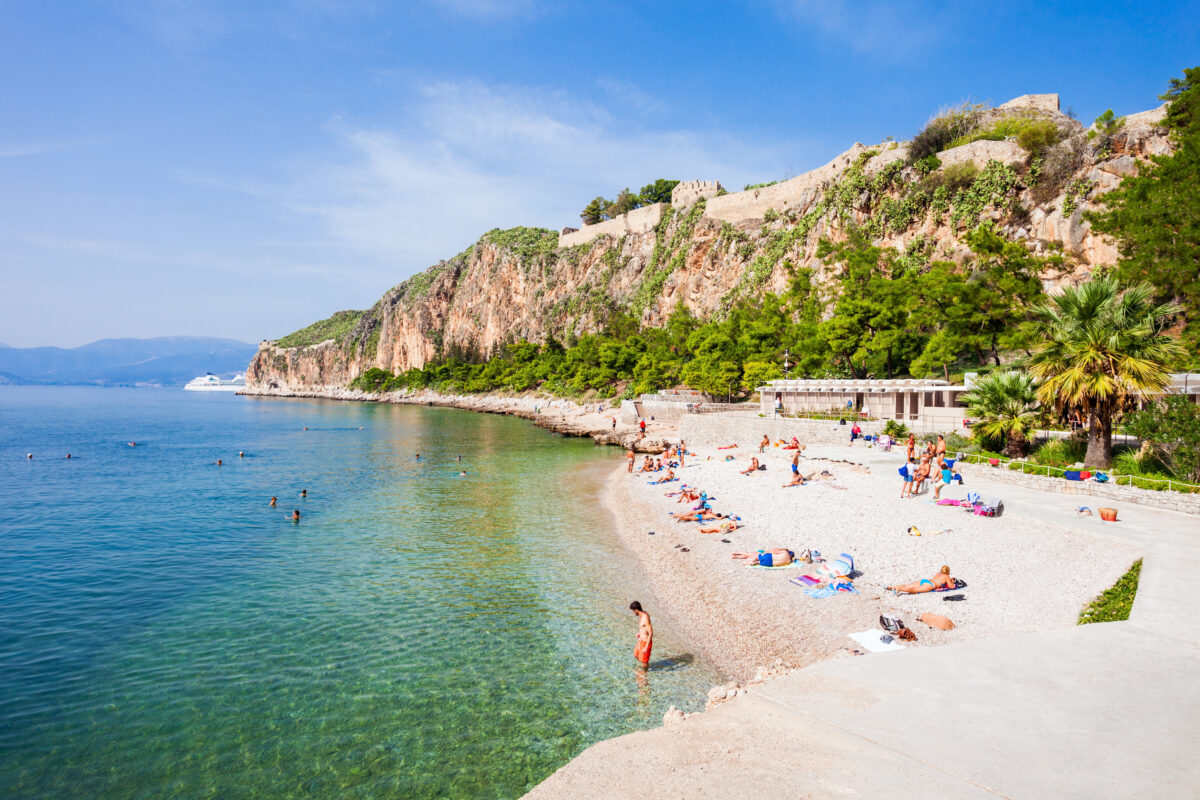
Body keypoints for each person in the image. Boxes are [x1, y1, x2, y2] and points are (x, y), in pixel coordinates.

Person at [887, 565, 954, 594]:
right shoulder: (946, 576)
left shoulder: (938, 573)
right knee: (914, 590)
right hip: (930, 585)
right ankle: (899, 589)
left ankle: (893, 587)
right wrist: (952, 581)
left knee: (908, 586)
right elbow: (951, 586)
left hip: (924, 580)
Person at [630, 601, 653, 667]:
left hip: (646, 642)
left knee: (644, 661)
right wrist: (639, 633)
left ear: (636, 610)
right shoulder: (641, 615)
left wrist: (646, 647)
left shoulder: (645, 618)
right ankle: (644, 667)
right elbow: (643, 627)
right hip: (641, 640)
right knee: (636, 654)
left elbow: (651, 633)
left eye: (633, 611)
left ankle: (645, 672)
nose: (633, 613)